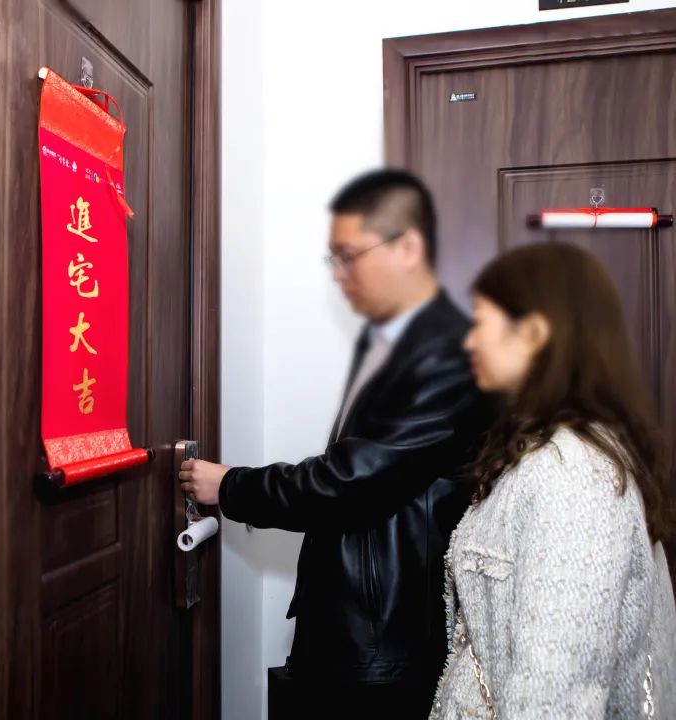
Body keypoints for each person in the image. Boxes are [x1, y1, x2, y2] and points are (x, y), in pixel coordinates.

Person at [180, 169, 492, 717]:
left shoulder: (445, 354)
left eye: (351, 256)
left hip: (387, 641)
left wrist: (231, 486)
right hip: (356, 628)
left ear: (408, 249)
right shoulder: (386, 342)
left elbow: (350, 479)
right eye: (334, 259)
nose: (340, 274)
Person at [431, 242, 676, 719]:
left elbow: (555, 697)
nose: (470, 342)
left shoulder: (573, 474)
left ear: (534, 333)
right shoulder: (551, 453)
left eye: (480, 321)